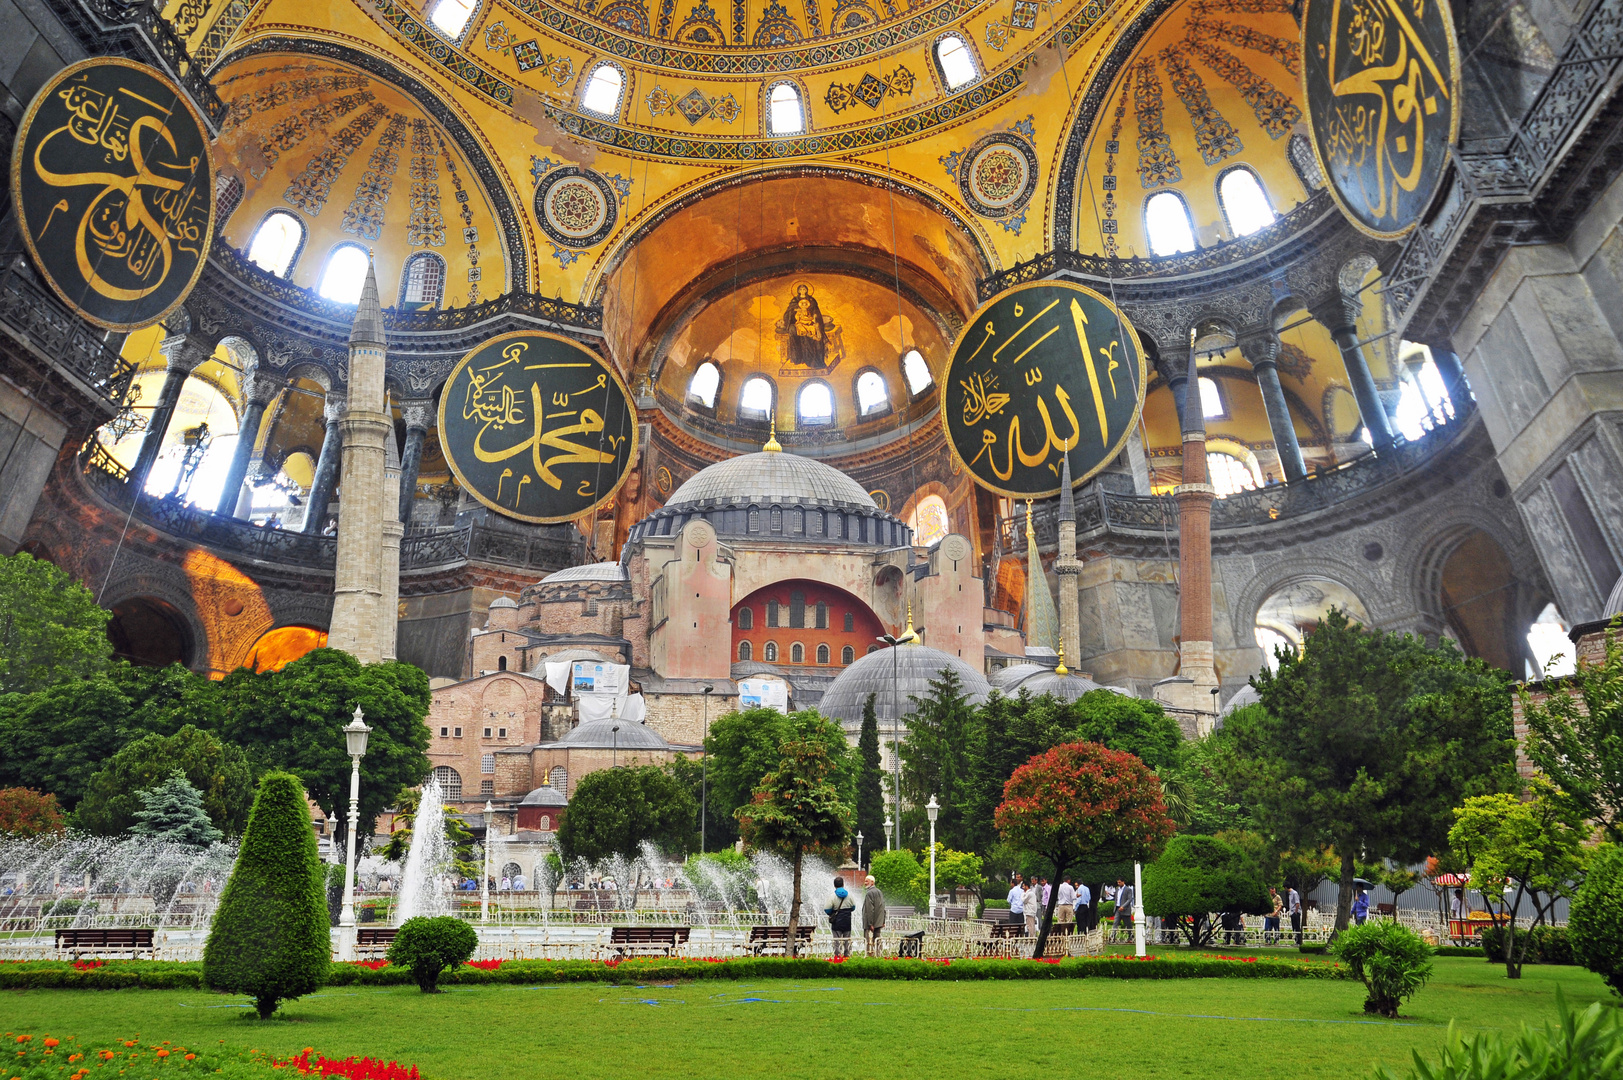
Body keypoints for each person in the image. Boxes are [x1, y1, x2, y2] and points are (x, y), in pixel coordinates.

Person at [824, 875, 856, 958]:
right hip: (847, 921)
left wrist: (832, 913)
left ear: (834, 885)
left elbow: (827, 909)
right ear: (843, 884)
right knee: (847, 940)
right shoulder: (849, 895)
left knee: (836, 941)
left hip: (836, 922)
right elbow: (853, 907)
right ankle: (847, 955)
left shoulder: (832, 896)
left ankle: (837, 956)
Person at [861, 874, 886, 955]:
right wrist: (883, 921)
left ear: (872, 882)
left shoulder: (869, 893)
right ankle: (879, 954)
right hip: (879, 921)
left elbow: (869, 909)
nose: (865, 883)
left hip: (870, 923)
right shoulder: (879, 892)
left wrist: (870, 923)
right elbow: (883, 907)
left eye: (866, 881)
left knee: (867, 940)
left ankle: (869, 954)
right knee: (878, 939)